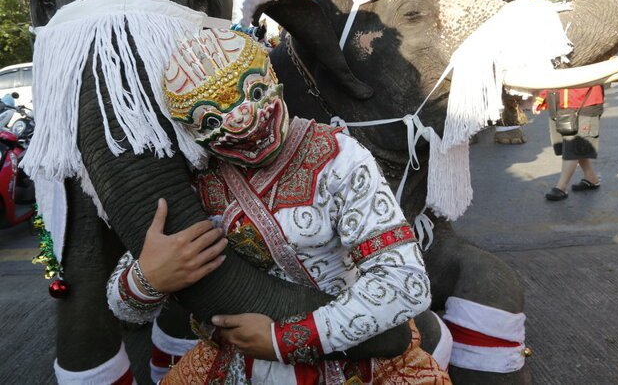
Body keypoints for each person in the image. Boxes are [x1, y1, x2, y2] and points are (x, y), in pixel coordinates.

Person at [105, 28, 450, 383]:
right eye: (211, 119)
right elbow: (125, 309)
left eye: (254, 93)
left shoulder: (337, 157)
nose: (241, 120)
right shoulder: (196, 180)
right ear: (188, 130)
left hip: (346, 356)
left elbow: (405, 284)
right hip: (230, 361)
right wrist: (147, 278)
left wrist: (285, 340)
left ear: (273, 79)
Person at [535, 86, 604, 201]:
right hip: (559, 102)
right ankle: (592, 179)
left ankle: (561, 187)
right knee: (575, 145)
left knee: (573, 145)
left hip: (584, 102)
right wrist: (542, 96)